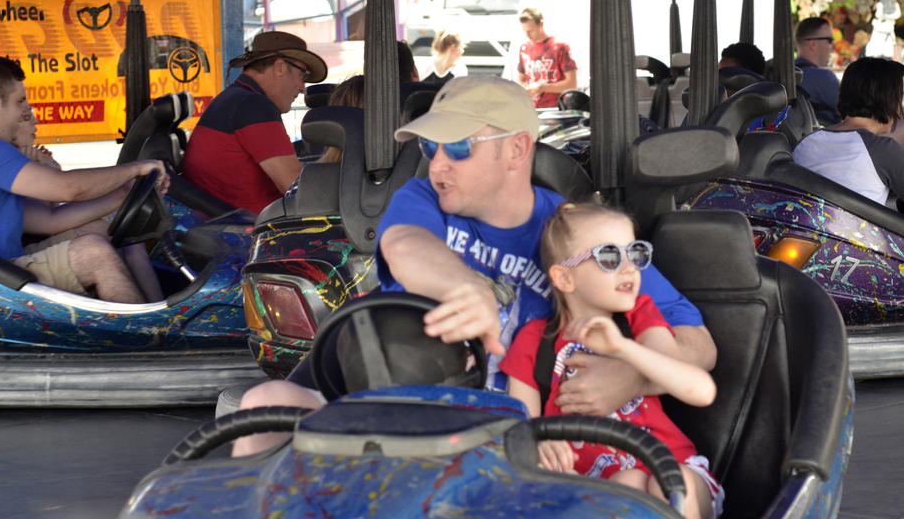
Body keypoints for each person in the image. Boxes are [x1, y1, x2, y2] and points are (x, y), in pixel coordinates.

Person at [231, 76, 716, 456]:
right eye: (429, 148)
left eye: (458, 147)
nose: (438, 164)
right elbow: (405, 244)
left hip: (503, 429)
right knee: (262, 407)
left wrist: (632, 378)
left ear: (517, 149)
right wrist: (468, 286)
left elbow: (699, 347)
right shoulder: (422, 198)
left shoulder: (577, 237)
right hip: (384, 396)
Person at [500, 203, 722, 519]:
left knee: (669, 484)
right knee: (625, 484)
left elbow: (700, 390)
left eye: (635, 254)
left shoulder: (640, 317)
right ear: (565, 278)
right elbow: (519, 421)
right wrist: (537, 442)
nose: (629, 267)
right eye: (609, 257)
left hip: (674, 465)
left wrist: (624, 348)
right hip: (596, 485)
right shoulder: (534, 341)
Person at [0, 56, 169, 303]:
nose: (25, 113)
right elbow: (68, 189)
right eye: (19, 102)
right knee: (93, 253)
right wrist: (136, 168)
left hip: (7, 268)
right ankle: (143, 337)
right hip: (3, 280)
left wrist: (123, 193)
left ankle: (159, 318)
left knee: (106, 228)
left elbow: (49, 220)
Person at [182, 31, 328, 214]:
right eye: (302, 76)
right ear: (280, 67)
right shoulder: (253, 107)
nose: (302, 89)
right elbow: (298, 189)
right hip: (249, 233)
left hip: (228, 223)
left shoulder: (236, 99)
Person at [794, 56, 904, 206]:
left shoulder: (806, 143)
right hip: (855, 229)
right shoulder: (883, 149)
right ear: (888, 101)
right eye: (899, 99)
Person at [516, 7, 578, 109]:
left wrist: (543, 87)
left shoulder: (559, 47)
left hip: (556, 108)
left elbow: (572, 83)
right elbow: (521, 79)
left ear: (541, 24)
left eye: (531, 31)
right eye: (525, 31)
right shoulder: (524, 48)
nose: (527, 35)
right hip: (531, 108)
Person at [794, 17, 841, 125]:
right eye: (830, 41)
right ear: (813, 44)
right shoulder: (824, 78)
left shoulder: (782, 73)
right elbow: (856, 113)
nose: (833, 47)